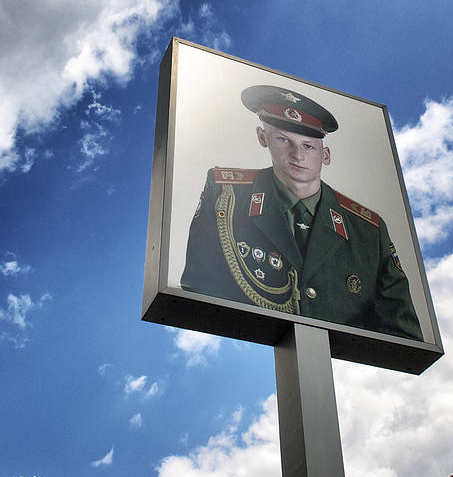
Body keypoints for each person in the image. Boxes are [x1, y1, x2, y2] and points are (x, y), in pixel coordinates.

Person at [180, 84, 422, 341]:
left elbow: (401, 336)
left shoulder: (368, 230)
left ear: (325, 155)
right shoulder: (226, 196)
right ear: (263, 138)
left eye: (308, 146)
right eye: (283, 140)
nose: (297, 155)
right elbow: (200, 297)